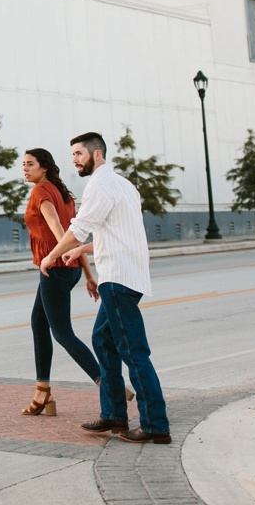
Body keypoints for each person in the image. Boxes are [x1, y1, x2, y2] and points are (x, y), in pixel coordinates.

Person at [40, 130, 170, 445]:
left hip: (118, 278)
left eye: (79, 154)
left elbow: (78, 229)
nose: (74, 161)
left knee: (133, 351)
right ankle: (113, 413)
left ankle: (156, 424)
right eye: (72, 155)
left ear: (97, 154)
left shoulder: (99, 185)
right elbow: (114, 233)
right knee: (104, 340)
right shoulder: (124, 185)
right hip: (129, 274)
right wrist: (80, 252)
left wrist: (51, 256)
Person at [18, 147, 100, 417]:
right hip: (69, 267)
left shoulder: (41, 191)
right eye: (23, 164)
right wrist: (88, 274)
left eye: (30, 164)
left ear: (44, 167)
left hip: (55, 267)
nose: (25, 169)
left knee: (62, 333)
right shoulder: (63, 193)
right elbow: (74, 236)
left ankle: (107, 383)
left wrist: (54, 257)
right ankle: (43, 392)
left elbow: (59, 231)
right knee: (38, 324)